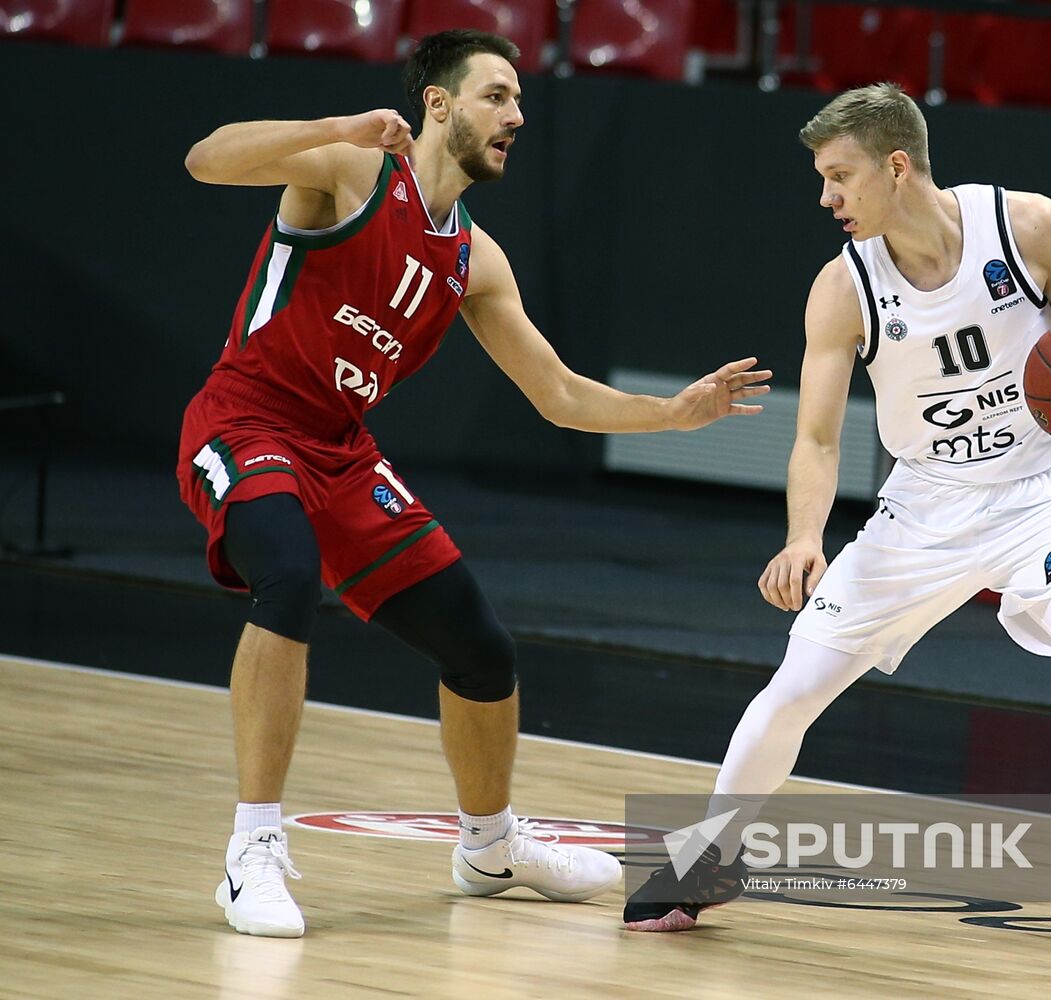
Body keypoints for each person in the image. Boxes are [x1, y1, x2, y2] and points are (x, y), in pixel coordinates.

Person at [177, 29, 770, 938]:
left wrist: (673, 415)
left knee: (481, 649)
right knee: (287, 577)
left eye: (520, 99)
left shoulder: (474, 258)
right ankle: (250, 848)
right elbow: (204, 160)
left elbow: (560, 394)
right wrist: (334, 122)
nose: (517, 115)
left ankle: (489, 846)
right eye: (497, 96)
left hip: (340, 449)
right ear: (438, 105)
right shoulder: (351, 170)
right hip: (246, 421)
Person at [623, 83, 1051, 971]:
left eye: (839, 176)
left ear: (896, 166)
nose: (826, 198)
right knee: (795, 687)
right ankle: (708, 857)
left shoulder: (1029, 226)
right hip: (923, 506)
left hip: (1043, 487)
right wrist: (802, 537)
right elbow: (816, 439)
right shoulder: (842, 287)